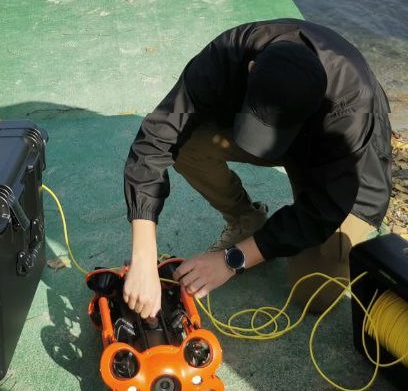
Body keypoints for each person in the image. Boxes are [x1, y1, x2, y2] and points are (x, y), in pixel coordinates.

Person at [123, 19, 393, 319]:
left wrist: (232, 260)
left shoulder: (351, 106)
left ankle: (284, 239)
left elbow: (323, 209)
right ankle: (247, 219)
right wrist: (144, 258)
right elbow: (156, 139)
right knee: (185, 143)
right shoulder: (228, 54)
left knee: (312, 294)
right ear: (251, 69)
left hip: (343, 171)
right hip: (295, 136)